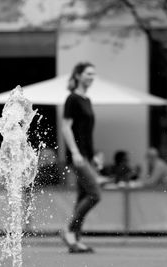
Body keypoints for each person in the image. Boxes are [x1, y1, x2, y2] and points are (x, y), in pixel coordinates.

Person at [60, 62, 101, 253]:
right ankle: (68, 230)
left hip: (86, 156)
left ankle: (75, 240)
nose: (91, 77)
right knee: (95, 194)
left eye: (93, 74)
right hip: (78, 156)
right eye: (88, 74)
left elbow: (87, 132)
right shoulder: (72, 99)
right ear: (77, 75)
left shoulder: (87, 100)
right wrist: (75, 152)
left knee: (83, 195)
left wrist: (94, 156)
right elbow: (66, 127)